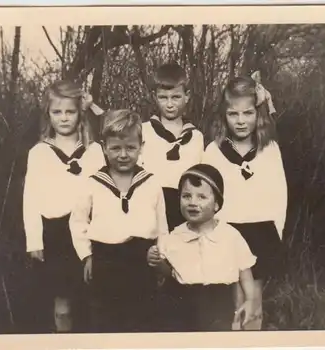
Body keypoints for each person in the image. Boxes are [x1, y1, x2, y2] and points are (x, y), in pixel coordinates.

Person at [69, 109, 169, 333]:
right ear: (104, 147)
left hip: (142, 262)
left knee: (142, 321)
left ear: (141, 147)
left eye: (130, 148)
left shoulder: (151, 183)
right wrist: (87, 255)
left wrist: (160, 259)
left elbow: (163, 227)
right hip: (106, 261)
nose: (123, 155)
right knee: (105, 320)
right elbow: (78, 222)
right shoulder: (93, 183)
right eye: (115, 148)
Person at [202, 75, 288, 330]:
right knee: (228, 306)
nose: (241, 121)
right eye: (233, 114)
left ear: (257, 114)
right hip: (226, 234)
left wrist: (276, 233)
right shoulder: (213, 151)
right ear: (224, 116)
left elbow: (279, 195)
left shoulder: (269, 149)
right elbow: (206, 198)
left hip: (260, 234)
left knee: (253, 305)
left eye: (248, 113)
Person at [23, 80, 105, 333]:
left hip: (88, 233)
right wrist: (34, 241)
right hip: (55, 235)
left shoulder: (94, 151)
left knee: (91, 302)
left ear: (79, 112)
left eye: (70, 111)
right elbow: (31, 199)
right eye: (57, 112)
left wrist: (94, 108)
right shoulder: (39, 152)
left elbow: (104, 194)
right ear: (48, 114)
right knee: (62, 306)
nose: (64, 118)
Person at [147, 164, 260, 331]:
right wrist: (157, 262)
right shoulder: (175, 236)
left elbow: (245, 271)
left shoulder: (230, 235)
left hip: (218, 302)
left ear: (216, 204)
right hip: (181, 301)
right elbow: (170, 273)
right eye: (186, 196)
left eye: (202, 197)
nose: (193, 203)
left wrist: (250, 300)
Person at [140, 62, 205, 232]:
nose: (169, 104)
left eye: (175, 97)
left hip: (184, 212)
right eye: (163, 97)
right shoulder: (144, 131)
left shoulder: (196, 138)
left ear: (187, 96)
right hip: (150, 208)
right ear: (155, 97)